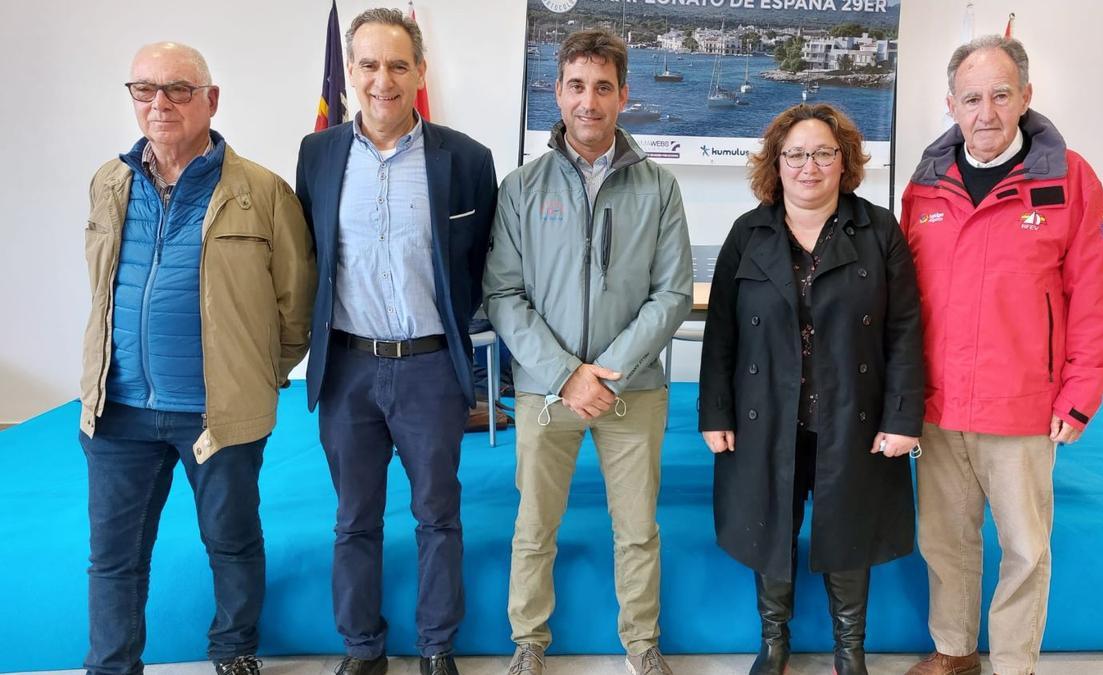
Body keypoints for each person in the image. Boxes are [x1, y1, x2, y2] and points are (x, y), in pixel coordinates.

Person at [78, 42, 315, 675]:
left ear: (211, 100)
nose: (161, 104)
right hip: (119, 407)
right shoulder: (109, 181)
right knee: (113, 555)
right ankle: (111, 665)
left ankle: (235, 651)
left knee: (231, 540)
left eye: (179, 89)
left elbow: (296, 306)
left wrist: (256, 375)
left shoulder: (261, 191)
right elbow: (102, 287)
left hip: (218, 410)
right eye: (144, 90)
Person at [900, 36, 1103, 675]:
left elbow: (1096, 298)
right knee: (945, 542)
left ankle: (1013, 664)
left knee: (1025, 549)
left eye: (1001, 95)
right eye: (972, 98)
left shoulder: (1068, 178)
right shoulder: (925, 185)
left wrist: (1080, 395)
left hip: (1023, 404)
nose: (987, 112)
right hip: (939, 404)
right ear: (951, 105)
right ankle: (953, 652)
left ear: (1026, 97)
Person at [294, 8, 497, 675]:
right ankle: (363, 648)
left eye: (398, 65)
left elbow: (479, 265)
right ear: (350, 72)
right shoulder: (317, 154)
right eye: (370, 65)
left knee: (438, 515)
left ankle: (437, 645)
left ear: (420, 71)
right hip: (348, 368)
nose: (384, 79)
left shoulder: (466, 159)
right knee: (354, 519)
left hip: (431, 369)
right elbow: (312, 258)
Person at [484, 28, 692, 675]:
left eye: (603, 87)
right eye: (577, 85)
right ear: (558, 92)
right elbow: (503, 294)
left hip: (633, 391)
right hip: (547, 391)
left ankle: (641, 642)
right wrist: (565, 374)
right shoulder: (522, 187)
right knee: (534, 525)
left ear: (624, 95)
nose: (589, 100)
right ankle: (528, 641)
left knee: (636, 529)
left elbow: (672, 293)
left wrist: (608, 371)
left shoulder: (658, 188)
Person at [698, 103, 924, 675]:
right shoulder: (747, 233)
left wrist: (902, 417)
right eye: (795, 154)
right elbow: (720, 329)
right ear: (776, 163)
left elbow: (904, 329)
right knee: (768, 524)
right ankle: (774, 643)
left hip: (854, 414)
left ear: (843, 161)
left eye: (823, 153)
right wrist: (714, 412)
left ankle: (851, 652)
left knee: (850, 528)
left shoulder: (879, 230)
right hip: (765, 414)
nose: (808, 166)